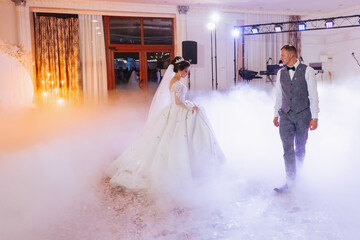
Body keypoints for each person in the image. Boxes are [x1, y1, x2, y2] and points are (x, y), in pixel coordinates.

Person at [106, 56, 224, 195]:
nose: (186, 74)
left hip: (174, 109)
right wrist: (191, 107)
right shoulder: (177, 83)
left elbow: (178, 100)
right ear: (180, 70)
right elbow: (178, 102)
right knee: (178, 138)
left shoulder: (175, 81)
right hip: (177, 110)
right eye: (186, 71)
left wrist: (189, 105)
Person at [273, 45, 320, 193]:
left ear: (292, 55)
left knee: (300, 148)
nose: (281, 58)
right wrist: (275, 114)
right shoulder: (281, 73)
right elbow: (279, 96)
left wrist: (315, 117)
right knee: (287, 149)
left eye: (283, 55)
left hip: (302, 115)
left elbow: (313, 95)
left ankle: (299, 179)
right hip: (285, 115)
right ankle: (290, 182)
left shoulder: (308, 71)